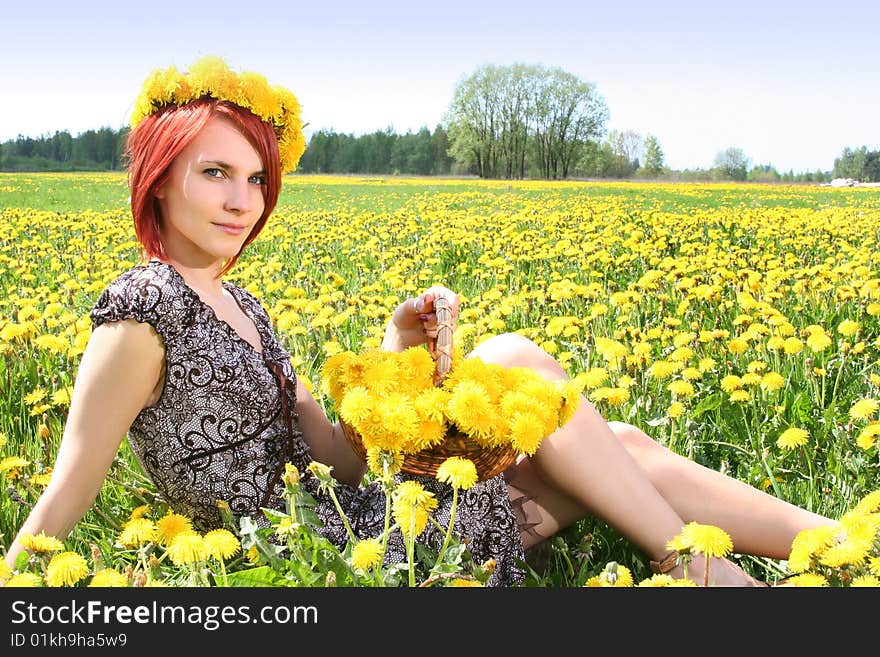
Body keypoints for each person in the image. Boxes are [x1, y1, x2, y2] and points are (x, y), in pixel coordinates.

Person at [3, 57, 835, 587]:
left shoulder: (242, 302)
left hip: (353, 512)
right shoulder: (141, 311)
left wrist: (399, 352)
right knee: (521, 364)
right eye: (214, 172)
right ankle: (693, 563)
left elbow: (339, 457)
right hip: (313, 560)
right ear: (159, 179)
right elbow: (67, 486)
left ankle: (833, 544)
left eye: (255, 177)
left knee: (620, 442)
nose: (239, 199)